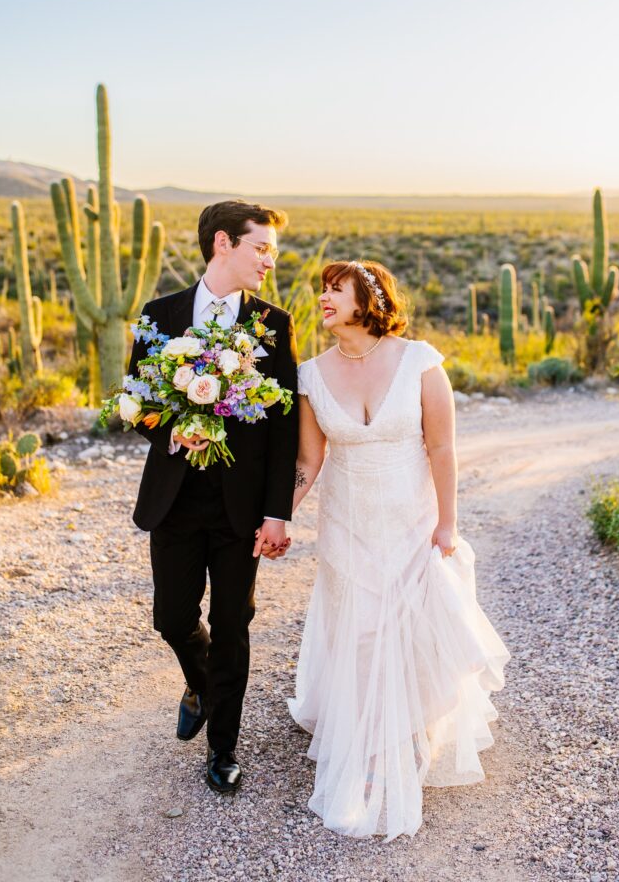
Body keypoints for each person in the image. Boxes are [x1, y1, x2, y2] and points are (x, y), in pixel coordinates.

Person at [287, 259, 510, 841]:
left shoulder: (419, 361)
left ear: (370, 298)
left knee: (413, 624)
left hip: (412, 519)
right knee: (360, 631)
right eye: (323, 290)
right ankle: (369, 752)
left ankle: (410, 725)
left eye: (336, 289)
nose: (324, 297)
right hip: (348, 522)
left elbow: (442, 448)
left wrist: (447, 524)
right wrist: (277, 514)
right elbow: (309, 463)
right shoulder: (310, 374)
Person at [129, 199, 297, 794]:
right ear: (223, 243)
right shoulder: (160, 314)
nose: (269, 261)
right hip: (173, 499)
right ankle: (200, 683)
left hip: (240, 509)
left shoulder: (273, 324)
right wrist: (173, 425)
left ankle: (223, 747)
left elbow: (283, 430)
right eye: (261, 247)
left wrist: (278, 512)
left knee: (233, 623)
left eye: (272, 251)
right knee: (172, 617)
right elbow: (136, 406)